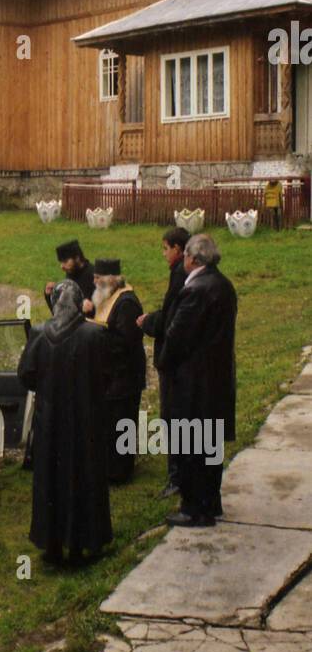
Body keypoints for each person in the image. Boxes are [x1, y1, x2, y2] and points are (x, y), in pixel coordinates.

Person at [19, 279, 113, 564]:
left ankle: (52, 543)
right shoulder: (93, 335)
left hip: (50, 422)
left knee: (50, 480)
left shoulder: (38, 334)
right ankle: (85, 541)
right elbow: (107, 376)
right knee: (85, 476)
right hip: (86, 420)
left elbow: (26, 375)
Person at [157, 234, 237, 528]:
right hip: (217, 378)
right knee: (210, 448)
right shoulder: (224, 285)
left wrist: (164, 362)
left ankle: (194, 509)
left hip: (194, 383)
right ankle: (211, 502)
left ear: (192, 258)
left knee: (191, 448)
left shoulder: (196, 290)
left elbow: (176, 336)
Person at [137, 226, 190, 498]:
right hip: (179, 361)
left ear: (178, 250)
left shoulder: (181, 274)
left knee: (173, 417)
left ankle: (176, 476)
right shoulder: (181, 273)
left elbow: (172, 319)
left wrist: (148, 322)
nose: (163, 253)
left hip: (173, 361)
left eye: (165, 248)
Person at [82, 259, 146, 484]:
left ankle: (121, 472)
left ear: (111, 279)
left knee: (122, 423)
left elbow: (125, 341)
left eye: (98, 277)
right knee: (109, 424)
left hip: (125, 375)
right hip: (110, 375)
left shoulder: (126, 302)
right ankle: (109, 468)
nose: (94, 281)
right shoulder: (107, 296)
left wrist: (94, 333)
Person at [44, 240, 95, 314]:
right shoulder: (71, 273)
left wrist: (90, 309)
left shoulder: (94, 277)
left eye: (65, 261)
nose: (61, 266)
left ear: (77, 258)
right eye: (61, 262)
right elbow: (60, 316)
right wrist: (50, 296)